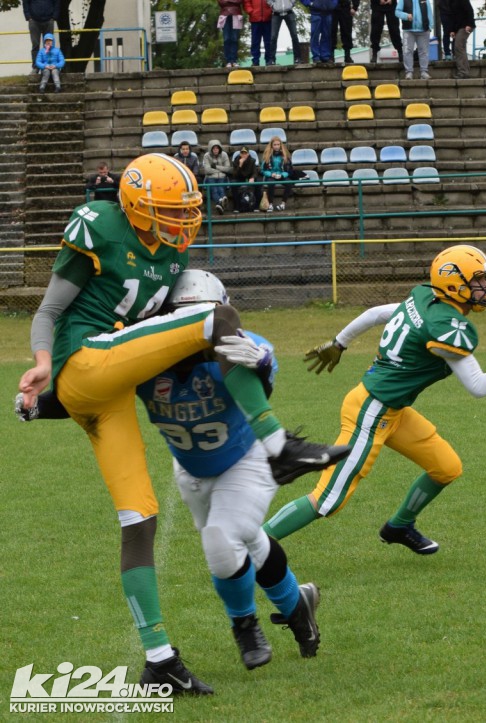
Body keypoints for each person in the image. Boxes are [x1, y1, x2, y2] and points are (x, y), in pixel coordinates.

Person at [15, 153, 348, 694]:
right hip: (86, 359)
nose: (179, 222)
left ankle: (159, 659)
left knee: (138, 521)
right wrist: (44, 364)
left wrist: (41, 405)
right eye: (166, 211)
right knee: (218, 320)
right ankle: (279, 446)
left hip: (110, 388)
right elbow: (51, 311)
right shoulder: (99, 223)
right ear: (133, 205)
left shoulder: (173, 255)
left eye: (184, 211)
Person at [262, 245, 486, 552]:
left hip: (391, 410)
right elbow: (478, 386)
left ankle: (399, 526)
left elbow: (374, 314)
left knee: (446, 467)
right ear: (455, 284)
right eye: (479, 280)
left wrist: (340, 342)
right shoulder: (444, 326)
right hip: (370, 412)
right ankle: (249, 546)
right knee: (328, 500)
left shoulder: (424, 297)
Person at [139, 271, 339, 670]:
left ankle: (244, 626)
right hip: (191, 470)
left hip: (245, 461)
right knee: (248, 540)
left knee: (221, 540)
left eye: (204, 317)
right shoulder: (145, 363)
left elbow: (260, 381)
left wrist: (262, 365)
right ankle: (297, 604)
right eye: (183, 317)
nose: (195, 328)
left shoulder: (239, 348)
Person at [396, 0, 433, 79]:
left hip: (423, 31)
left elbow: (430, 13)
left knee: (423, 52)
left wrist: (430, 27)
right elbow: (397, 12)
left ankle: (424, 72)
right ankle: (409, 72)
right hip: (408, 31)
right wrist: (406, 16)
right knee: (407, 51)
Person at [23, 0, 58, 74]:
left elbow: (57, 2)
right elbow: (25, 2)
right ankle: (36, 67)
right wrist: (28, 17)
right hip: (34, 21)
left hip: (49, 20)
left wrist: (54, 17)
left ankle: (48, 67)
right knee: (35, 45)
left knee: (49, 45)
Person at [260, 136, 294, 212]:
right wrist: (271, 174)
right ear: (272, 145)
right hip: (271, 175)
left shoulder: (285, 155)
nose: (276, 146)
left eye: (278, 144)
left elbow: (289, 170)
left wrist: (282, 175)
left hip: (281, 174)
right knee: (271, 183)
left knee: (289, 183)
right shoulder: (267, 155)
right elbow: (262, 170)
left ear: (280, 145)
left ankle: (283, 204)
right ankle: (270, 204)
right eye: (275, 145)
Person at [302, 0, 339, 65]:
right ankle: (316, 57)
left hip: (328, 13)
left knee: (327, 36)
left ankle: (325, 56)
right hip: (315, 13)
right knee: (315, 35)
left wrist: (333, 4)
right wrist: (310, 3)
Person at [202, 139, 233, 214]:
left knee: (220, 188)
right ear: (211, 149)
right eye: (214, 148)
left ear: (220, 149)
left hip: (222, 177)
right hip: (210, 177)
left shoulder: (224, 155)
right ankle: (221, 201)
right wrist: (221, 170)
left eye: (217, 148)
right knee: (214, 189)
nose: (216, 150)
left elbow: (228, 169)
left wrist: (216, 167)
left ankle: (219, 204)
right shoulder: (206, 156)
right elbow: (207, 170)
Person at [268, 0, 302, 66]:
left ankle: (297, 58)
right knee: (273, 37)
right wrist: (273, 5)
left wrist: (291, 4)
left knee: (294, 35)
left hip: (289, 13)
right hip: (276, 14)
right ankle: (272, 59)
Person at [369, 0, 403, 64]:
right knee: (375, 30)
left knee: (394, 29)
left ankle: (400, 52)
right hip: (377, 6)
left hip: (391, 6)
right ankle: (374, 54)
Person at [448, 0, 475, 78]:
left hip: (466, 26)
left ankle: (463, 72)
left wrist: (469, 24)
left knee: (458, 46)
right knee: (460, 47)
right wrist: (452, 30)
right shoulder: (451, 2)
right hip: (459, 27)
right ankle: (465, 71)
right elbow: (453, 16)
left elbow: (470, 10)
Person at [244, 0, 274, 65]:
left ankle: (269, 60)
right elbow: (247, 2)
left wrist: (271, 11)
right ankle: (255, 61)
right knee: (255, 41)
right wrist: (251, 11)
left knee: (268, 41)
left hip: (267, 19)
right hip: (255, 19)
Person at [332, 0, 360, 65]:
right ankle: (331, 55)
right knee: (332, 31)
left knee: (347, 31)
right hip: (332, 7)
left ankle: (347, 55)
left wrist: (354, 7)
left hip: (346, 7)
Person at [232, 146, 259, 213]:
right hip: (239, 178)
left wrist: (252, 178)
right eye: (242, 153)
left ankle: (256, 206)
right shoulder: (236, 161)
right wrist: (240, 165)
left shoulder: (252, 161)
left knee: (258, 184)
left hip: (249, 178)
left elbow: (255, 172)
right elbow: (235, 174)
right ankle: (236, 207)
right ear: (240, 154)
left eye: (245, 153)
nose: (244, 155)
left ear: (248, 154)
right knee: (233, 184)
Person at [218, 0, 244, 68]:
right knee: (226, 39)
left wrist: (228, 1)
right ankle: (228, 61)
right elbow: (221, 2)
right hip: (225, 15)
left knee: (234, 39)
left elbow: (239, 1)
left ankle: (234, 60)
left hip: (236, 14)